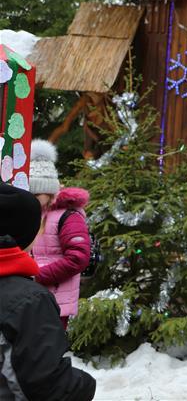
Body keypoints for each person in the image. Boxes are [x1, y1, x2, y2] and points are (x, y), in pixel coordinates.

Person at [0, 182, 97, 400]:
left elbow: (78, 255)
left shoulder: (68, 216)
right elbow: (48, 387)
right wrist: (86, 386)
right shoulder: (29, 301)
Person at [28, 139, 91, 329]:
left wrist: (36, 276)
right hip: (29, 297)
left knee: (46, 352)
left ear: (49, 191)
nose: (31, 199)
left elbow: (78, 257)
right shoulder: (31, 214)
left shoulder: (67, 217)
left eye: (36, 194)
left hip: (55, 302)